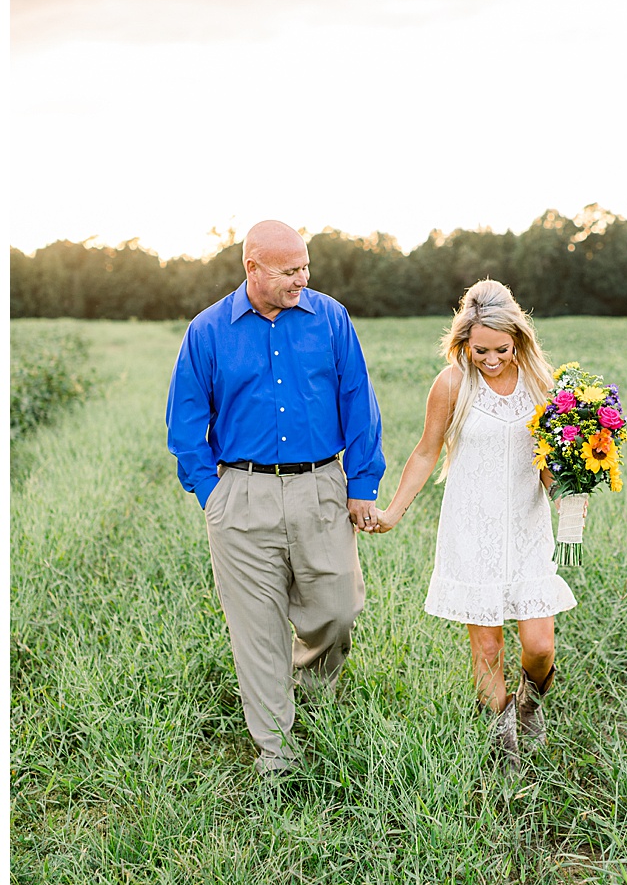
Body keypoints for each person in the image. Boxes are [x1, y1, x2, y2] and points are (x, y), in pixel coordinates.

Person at [166, 220, 385, 779]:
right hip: (241, 493)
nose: (302, 279)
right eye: (289, 271)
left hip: (320, 486)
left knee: (338, 610)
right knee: (256, 631)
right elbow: (186, 422)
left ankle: (312, 690)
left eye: (305, 267)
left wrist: (361, 485)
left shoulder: (330, 318)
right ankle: (276, 753)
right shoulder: (208, 330)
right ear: (252, 269)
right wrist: (213, 494)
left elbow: (358, 399)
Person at [370, 279, 575, 765]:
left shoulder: (540, 384)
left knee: (540, 645)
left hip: (527, 528)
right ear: (463, 340)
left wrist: (572, 489)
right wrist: (392, 513)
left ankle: (530, 704)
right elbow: (426, 452)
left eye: (501, 349)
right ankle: (505, 751)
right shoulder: (452, 383)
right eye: (478, 349)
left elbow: (548, 463)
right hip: (470, 526)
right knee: (487, 648)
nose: (490, 359)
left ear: (518, 339)